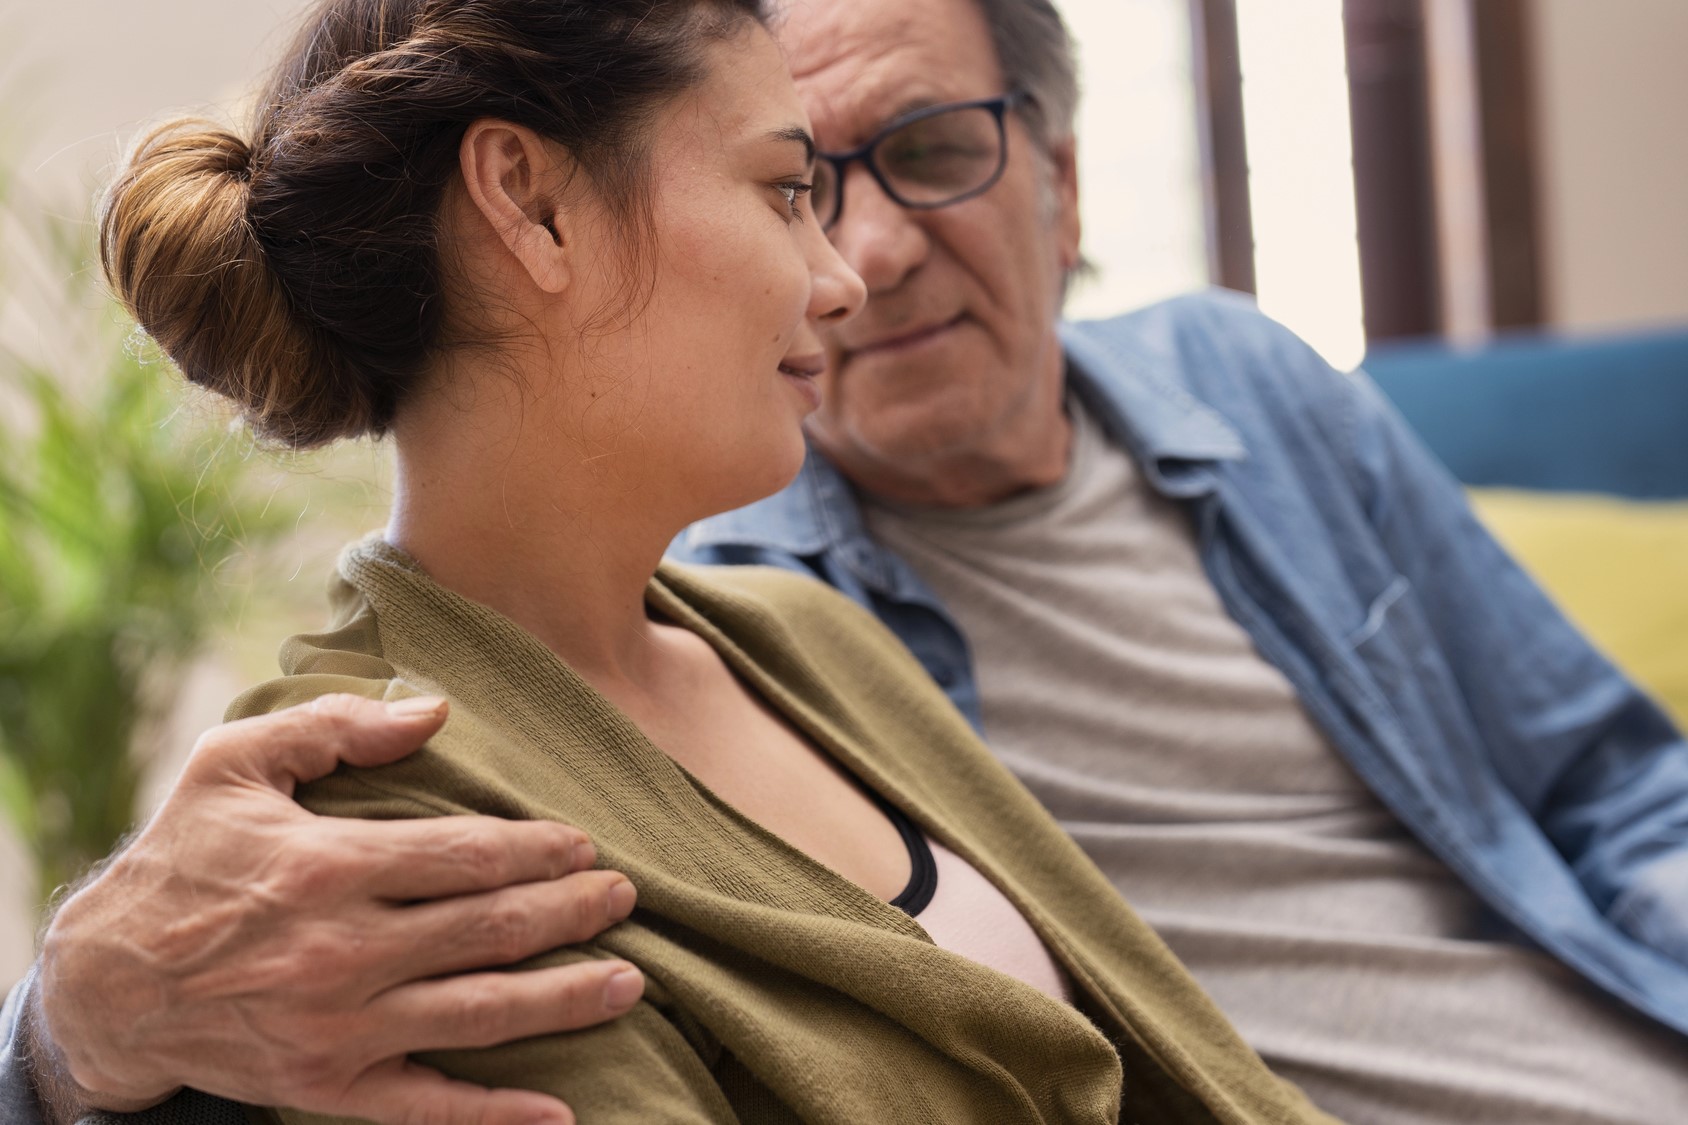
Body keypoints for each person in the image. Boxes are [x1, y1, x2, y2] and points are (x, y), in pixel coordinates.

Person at [6, 0, 1687, 1121]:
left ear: (1065, 179)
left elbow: (1607, 786)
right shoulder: (404, 815)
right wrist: (62, 1023)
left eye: (933, 155)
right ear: (530, 207)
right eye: (793, 187)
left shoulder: (807, 640)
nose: (850, 272)